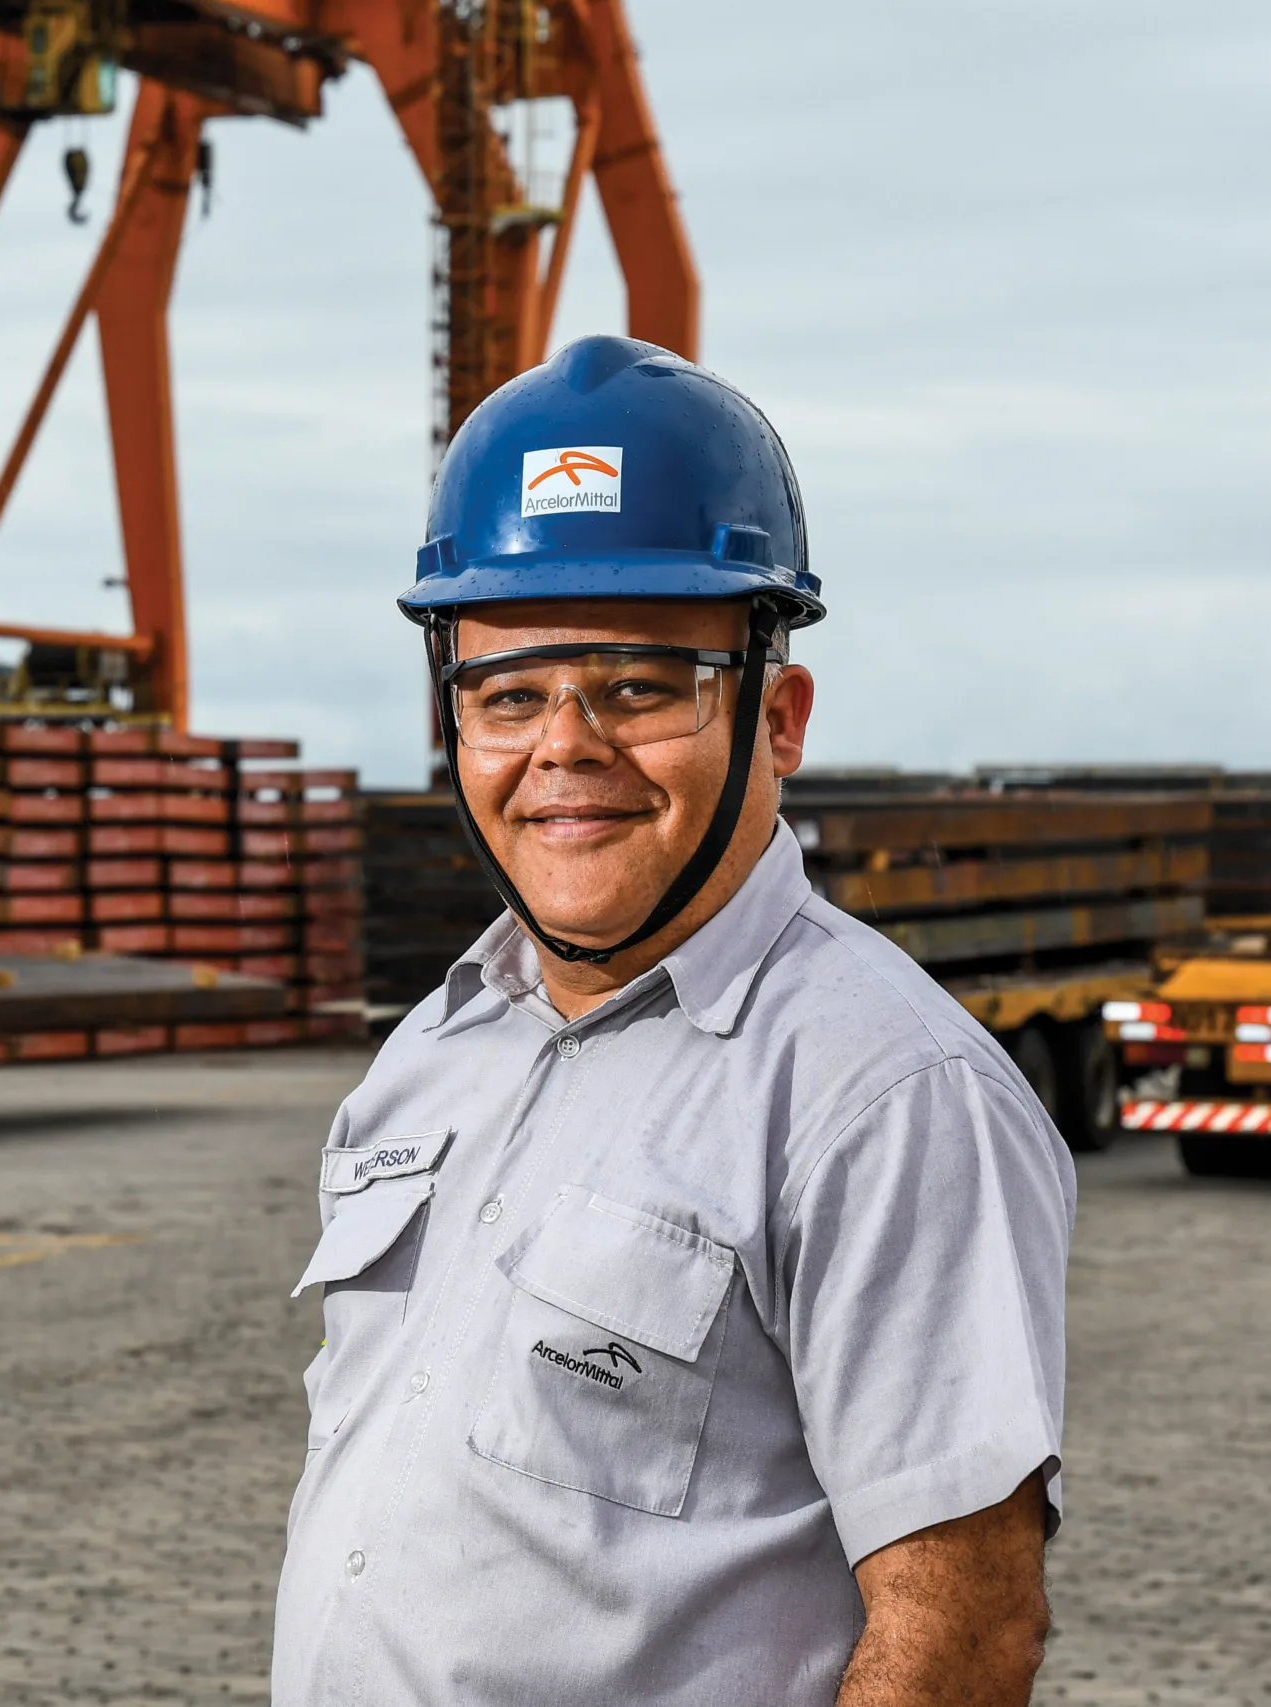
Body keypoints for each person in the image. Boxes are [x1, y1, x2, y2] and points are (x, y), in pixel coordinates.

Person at [274, 336, 1073, 1707]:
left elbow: (961, 1632)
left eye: (640, 686)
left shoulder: (883, 1093)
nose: (564, 747)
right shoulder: (431, 1056)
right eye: (507, 694)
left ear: (779, 716)